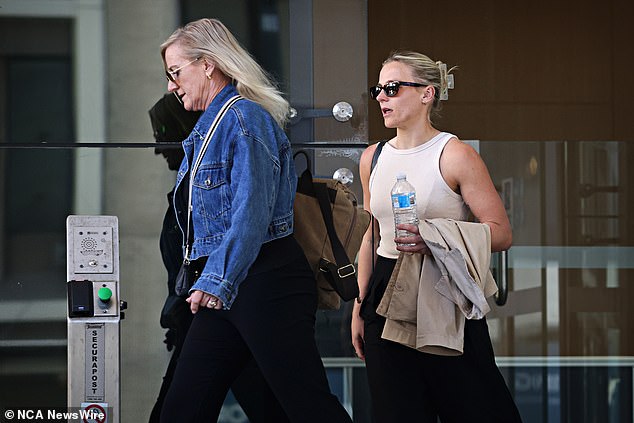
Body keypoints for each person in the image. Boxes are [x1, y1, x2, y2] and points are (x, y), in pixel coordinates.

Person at [158, 18, 353, 423]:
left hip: (264, 282)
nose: (172, 86)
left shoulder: (245, 120)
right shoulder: (207, 129)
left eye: (176, 72)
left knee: (308, 406)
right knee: (182, 409)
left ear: (208, 64)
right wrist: (210, 281)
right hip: (226, 285)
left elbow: (252, 213)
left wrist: (215, 281)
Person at [351, 50, 523, 422]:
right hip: (384, 288)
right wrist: (359, 304)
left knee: (473, 404)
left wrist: (434, 237)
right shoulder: (373, 158)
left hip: (443, 287)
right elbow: (372, 234)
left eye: (393, 88)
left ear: (427, 93)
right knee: (397, 410)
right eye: (378, 89)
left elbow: (500, 232)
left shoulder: (453, 154)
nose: (381, 97)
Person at [148, 93, 290, 423]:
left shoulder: (243, 127)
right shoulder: (185, 198)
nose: (157, 148)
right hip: (204, 309)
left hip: (225, 301)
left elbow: (248, 221)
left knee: (289, 404)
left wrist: (213, 285)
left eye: (162, 134)